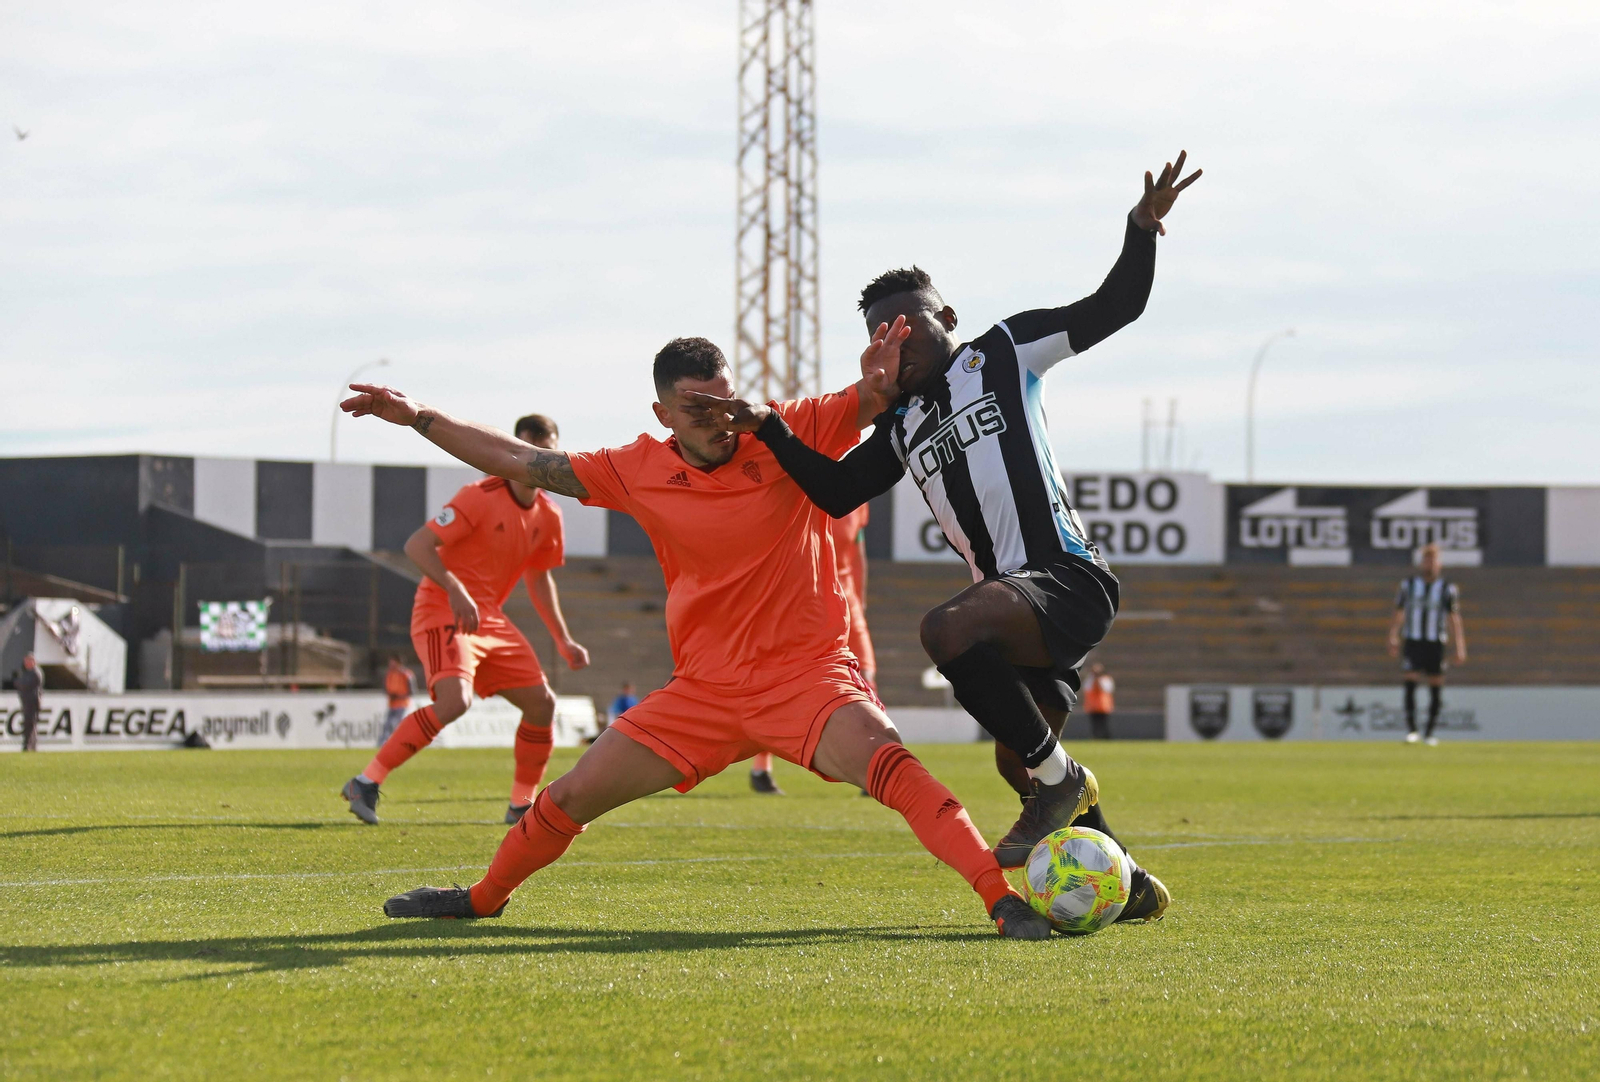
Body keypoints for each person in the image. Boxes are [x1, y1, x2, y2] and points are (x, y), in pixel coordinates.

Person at [340, 334, 1061, 938]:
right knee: (568, 797)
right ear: (663, 414)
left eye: (725, 401)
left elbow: (873, 399)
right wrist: (419, 416)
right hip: (702, 694)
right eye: (698, 409)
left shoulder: (785, 428)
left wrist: (880, 378)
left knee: (896, 772)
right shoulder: (635, 468)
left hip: (807, 678)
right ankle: (481, 899)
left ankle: (1000, 902)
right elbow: (519, 462)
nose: (721, 421)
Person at [686, 153, 1199, 924]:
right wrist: (770, 427)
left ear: (947, 319)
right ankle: (1122, 880)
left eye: (907, 325)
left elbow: (1114, 306)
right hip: (1016, 612)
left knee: (946, 630)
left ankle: (1062, 784)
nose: (896, 343)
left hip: (1066, 578)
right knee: (1018, 760)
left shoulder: (1004, 351)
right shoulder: (902, 424)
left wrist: (1140, 228)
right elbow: (835, 492)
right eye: (879, 335)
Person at [341, 413, 591, 827]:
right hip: (443, 607)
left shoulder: (549, 514)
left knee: (542, 704)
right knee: (455, 701)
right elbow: (418, 545)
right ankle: (365, 782)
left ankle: (521, 805)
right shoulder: (479, 495)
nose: (542, 460)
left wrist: (563, 639)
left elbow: (539, 577)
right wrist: (455, 588)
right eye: (533, 451)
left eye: (549, 452)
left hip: (489, 618)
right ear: (516, 450)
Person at [750, 504, 877, 796]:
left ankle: (872, 765)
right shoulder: (799, 495)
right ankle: (761, 768)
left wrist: (860, 600)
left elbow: (857, 551)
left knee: (866, 678)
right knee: (774, 683)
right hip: (803, 600)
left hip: (846, 602)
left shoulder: (858, 503)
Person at [1387, 543, 1467, 746]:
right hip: (1413, 640)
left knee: (1435, 686)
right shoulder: (1408, 585)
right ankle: (1412, 730)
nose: (1429, 564)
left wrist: (1459, 646)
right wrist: (1393, 635)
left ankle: (1430, 733)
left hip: (1435, 642)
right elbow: (1399, 612)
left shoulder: (1447, 588)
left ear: (1439, 564)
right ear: (1421, 563)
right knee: (1410, 682)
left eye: (1433, 560)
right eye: (1426, 560)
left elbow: (1453, 618)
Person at [379, 655, 416, 744]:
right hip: (392, 704)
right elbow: (385, 688)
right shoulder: (389, 674)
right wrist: (390, 695)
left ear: (399, 663)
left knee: (398, 725)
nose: (391, 665)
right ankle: (382, 744)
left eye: (393, 663)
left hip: (402, 705)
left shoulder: (406, 674)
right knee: (387, 725)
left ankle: (403, 743)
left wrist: (399, 696)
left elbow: (412, 691)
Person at [15, 653, 43, 752]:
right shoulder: (27, 673)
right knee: (29, 724)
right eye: (25, 661)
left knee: (30, 724)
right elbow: (19, 683)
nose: (26, 663)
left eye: (28, 661)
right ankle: (31, 745)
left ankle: (28, 745)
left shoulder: (35, 673)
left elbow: (24, 684)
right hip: (27, 702)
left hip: (32, 702)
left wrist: (19, 682)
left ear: (33, 662)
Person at [1082, 662, 1115, 740]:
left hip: (1103, 706)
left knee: (1104, 723)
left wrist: (1098, 679)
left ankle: (1106, 737)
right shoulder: (1089, 680)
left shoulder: (1106, 679)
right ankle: (1096, 737)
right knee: (1095, 724)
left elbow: (1106, 689)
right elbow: (1086, 688)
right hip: (1093, 706)